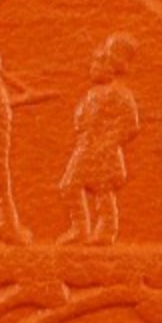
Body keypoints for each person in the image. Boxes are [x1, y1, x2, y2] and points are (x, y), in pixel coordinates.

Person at [59, 33, 140, 244]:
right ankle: (80, 229)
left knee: (102, 190)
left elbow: (131, 125)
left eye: (97, 64)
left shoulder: (120, 95)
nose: (92, 68)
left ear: (111, 67)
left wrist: (108, 142)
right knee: (70, 186)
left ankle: (105, 232)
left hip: (103, 151)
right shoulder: (93, 94)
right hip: (86, 147)